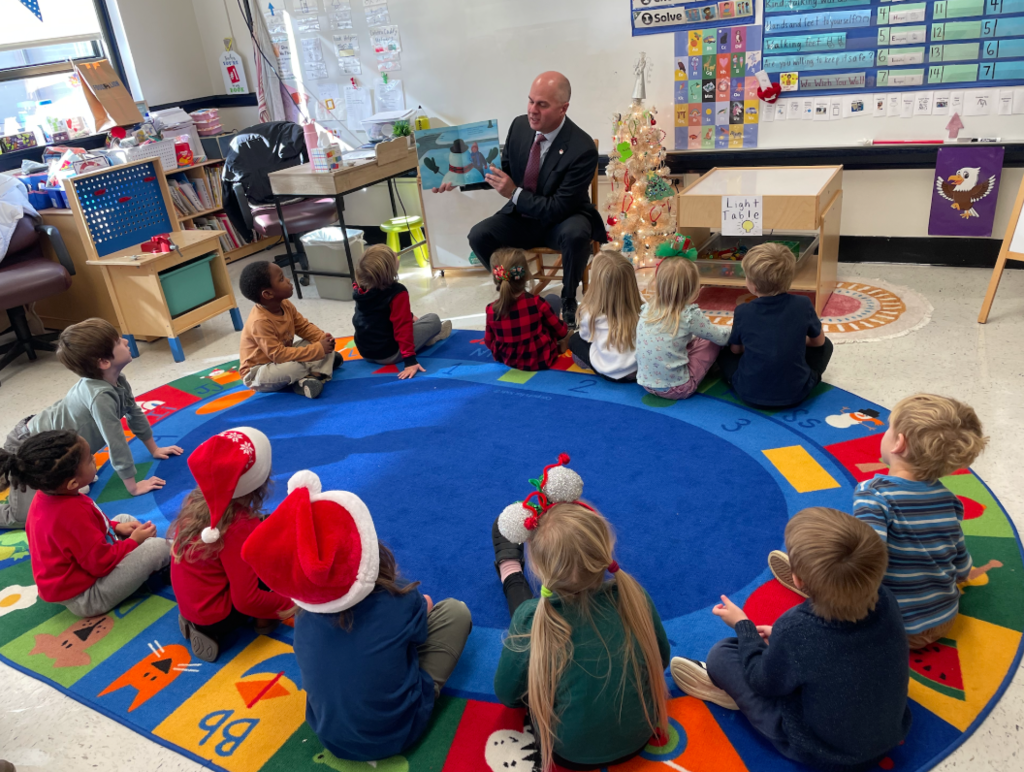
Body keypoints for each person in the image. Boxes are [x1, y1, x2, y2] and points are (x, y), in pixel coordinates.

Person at [242, 471, 472, 763]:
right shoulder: (396, 600)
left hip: (331, 737)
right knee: (455, 611)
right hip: (401, 732)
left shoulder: (303, 619)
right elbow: (423, 614)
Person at [672, 507, 912, 772]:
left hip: (823, 751)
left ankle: (729, 691)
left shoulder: (797, 628)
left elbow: (762, 682)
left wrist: (743, 626)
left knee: (721, 654)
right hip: (889, 732)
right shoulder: (887, 598)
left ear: (798, 580)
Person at [491, 456, 669, 771]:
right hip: (641, 736)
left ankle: (509, 569)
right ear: (605, 551)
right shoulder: (635, 597)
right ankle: (510, 569)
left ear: (540, 568)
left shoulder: (533, 618)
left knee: (528, 616)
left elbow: (508, 694)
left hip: (568, 754)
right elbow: (662, 658)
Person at [772, 394, 988, 650]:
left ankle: (817, 589)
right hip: (944, 618)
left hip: (892, 626)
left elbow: (865, 562)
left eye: (888, 428)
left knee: (835, 553)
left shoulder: (874, 495)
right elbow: (961, 563)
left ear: (898, 443)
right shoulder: (949, 500)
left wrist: (828, 582)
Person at [436, 72, 605, 328]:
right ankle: (516, 294)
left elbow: (558, 207)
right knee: (478, 236)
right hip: (522, 216)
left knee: (576, 235)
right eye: (530, 101)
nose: (532, 111)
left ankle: (569, 297)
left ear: (563, 108)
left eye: (542, 105)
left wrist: (513, 192)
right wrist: (460, 179)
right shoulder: (519, 126)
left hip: (562, 218)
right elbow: (502, 172)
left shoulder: (582, 147)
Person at [1, 318, 182, 529]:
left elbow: (135, 414)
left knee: (77, 483)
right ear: (104, 362)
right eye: (118, 341)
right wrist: (133, 486)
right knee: (23, 517)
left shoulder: (118, 380)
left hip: (59, 448)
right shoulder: (100, 396)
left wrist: (155, 448)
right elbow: (116, 442)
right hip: (28, 447)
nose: (125, 341)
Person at [7, 430, 170, 617]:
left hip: (81, 568)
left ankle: (138, 552)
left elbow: (92, 521)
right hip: (87, 596)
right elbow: (100, 563)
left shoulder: (47, 495)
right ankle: (176, 556)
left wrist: (115, 526)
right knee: (157, 548)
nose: (95, 459)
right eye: (90, 460)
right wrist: (133, 542)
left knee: (124, 519)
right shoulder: (70, 515)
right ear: (72, 483)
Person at [171, 427, 295, 662]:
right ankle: (248, 623)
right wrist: (293, 604)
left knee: (259, 539)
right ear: (259, 483)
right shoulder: (239, 526)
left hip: (195, 604)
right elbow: (247, 600)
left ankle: (194, 621)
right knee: (272, 559)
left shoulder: (195, 500)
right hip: (219, 617)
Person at [716, 243, 833, 409]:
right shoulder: (803, 304)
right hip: (797, 393)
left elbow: (736, 350)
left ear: (753, 286)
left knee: (724, 352)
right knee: (827, 345)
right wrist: (795, 340)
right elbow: (819, 343)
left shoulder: (743, 311)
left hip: (748, 391)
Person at [238, 261, 340, 399]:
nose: (288, 280)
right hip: (259, 372)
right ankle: (310, 374)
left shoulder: (285, 304)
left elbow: (303, 327)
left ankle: (313, 376)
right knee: (295, 367)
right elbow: (278, 355)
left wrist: (322, 338)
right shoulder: (259, 322)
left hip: (283, 357)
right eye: (281, 279)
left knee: (318, 345)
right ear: (268, 294)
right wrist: (318, 350)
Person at [352, 244, 453, 380]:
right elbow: (402, 327)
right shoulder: (397, 291)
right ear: (390, 270)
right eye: (394, 256)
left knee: (409, 322)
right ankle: (433, 338)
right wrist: (410, 361)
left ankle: (422, 337)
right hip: (389, 355)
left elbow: (378, 312)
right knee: (433, 319)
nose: (396, 254)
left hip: (365, 351)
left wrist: (409, 316)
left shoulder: (360, 288)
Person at [636, 255, 730, 400]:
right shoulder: (689, 315)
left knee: (694, 337)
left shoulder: (647, 307)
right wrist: (735, 329)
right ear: (693, 287)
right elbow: (721, 337)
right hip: (678, 388)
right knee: (710, 340)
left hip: (646, 383)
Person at [484, 248, 568, 371]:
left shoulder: (491, 309)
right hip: (541, 358)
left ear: (496, 277)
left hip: (508, 360)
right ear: (526, 274)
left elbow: (489, 342)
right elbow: (561, 332)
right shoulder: (537, 303)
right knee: (553, 299)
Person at [568, 251, 641, 383]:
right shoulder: (640, 303)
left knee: (574, 340)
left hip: (609, 371)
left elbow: (586, 338)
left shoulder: (589, 311)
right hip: (638, 368)